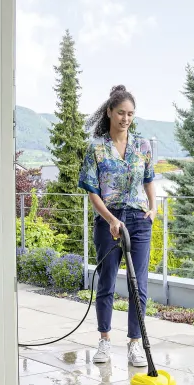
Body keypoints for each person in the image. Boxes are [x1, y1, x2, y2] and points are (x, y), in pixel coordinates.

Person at [78, 85, 156, 366]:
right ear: (110, 112)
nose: (126, 118)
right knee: (107, 281)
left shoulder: (142, 146)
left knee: (139, 285)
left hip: (139, 221)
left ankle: (135, 344)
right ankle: (104, 340)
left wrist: (153, 208)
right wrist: (111, 219)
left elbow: (149, 180)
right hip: (108, 221)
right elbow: (92, 191)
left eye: (130, 114)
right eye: (121, 113)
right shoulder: (96, 148)